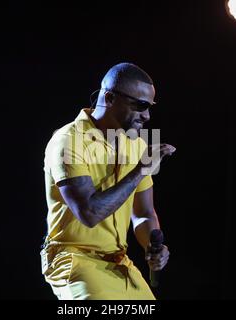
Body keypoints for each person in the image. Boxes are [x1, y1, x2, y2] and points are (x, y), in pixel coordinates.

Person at [41, 62, 176, 300]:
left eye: (150, 106)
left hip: (119, 263)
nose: (147, 115)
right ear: (110, 98)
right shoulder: (68, 141)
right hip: (74, 260)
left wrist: (151, 247)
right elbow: (89, 213)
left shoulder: (136, 144)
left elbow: (144, 213)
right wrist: (140, 171)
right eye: (141, 105)